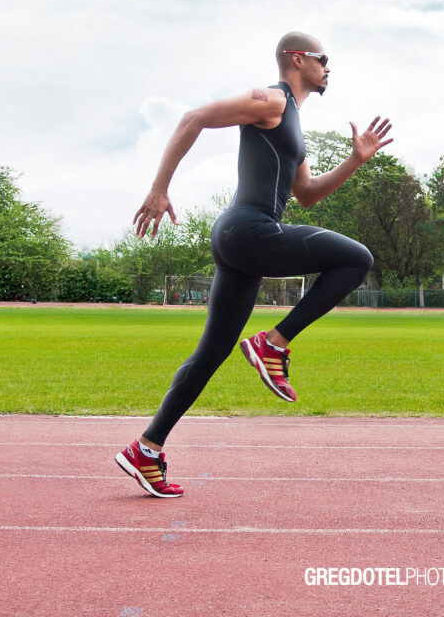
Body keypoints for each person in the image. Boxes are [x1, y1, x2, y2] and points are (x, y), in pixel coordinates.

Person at [115, 31, 393, 498]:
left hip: (241, 241)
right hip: (249, 229)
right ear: (297, 58)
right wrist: (159, 188)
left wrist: (354, 161)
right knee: (357, 258)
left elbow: (306, 195)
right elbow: (194, 117)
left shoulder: (294, 123)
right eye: (324, 59)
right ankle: (273, 344)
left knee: (211, 354)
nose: (330, 67)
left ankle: (147, 447)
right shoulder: (272, 100)